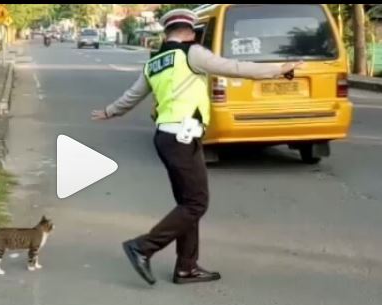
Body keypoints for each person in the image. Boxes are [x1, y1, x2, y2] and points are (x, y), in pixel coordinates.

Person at [91, 8, 302, 285]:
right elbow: (235, 68)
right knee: (196, 203)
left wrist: (110, 111)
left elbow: (133, 95)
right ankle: (142, 247)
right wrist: (279, 69)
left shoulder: (156, 60)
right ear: (190, 31)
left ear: (167, 32)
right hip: (182, 138)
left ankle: (186, 267)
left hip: (166, 138)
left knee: (187, 203)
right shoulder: (192, 53)